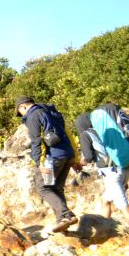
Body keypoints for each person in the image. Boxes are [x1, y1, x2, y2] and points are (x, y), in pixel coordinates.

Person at [74, 110, 129, 246]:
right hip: (124, 169)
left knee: (123, 205)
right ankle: (106, 225)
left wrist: (78, 165)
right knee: (106, 200)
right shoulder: (103, 131)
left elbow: (88, 157)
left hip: (111, 173)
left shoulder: (86, 134)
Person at [16, 96, 79, 233]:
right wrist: (75, 156)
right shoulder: (51, 112)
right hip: (67, 155)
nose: (21, 115)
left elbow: (37, 142)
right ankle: (63, 224)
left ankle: (65, 215)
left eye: (20, 112)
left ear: (23, 107)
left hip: (51, 159)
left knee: (43, 188)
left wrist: (40, 162)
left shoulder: (33, 116)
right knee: (55, 188)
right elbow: (67, 133)